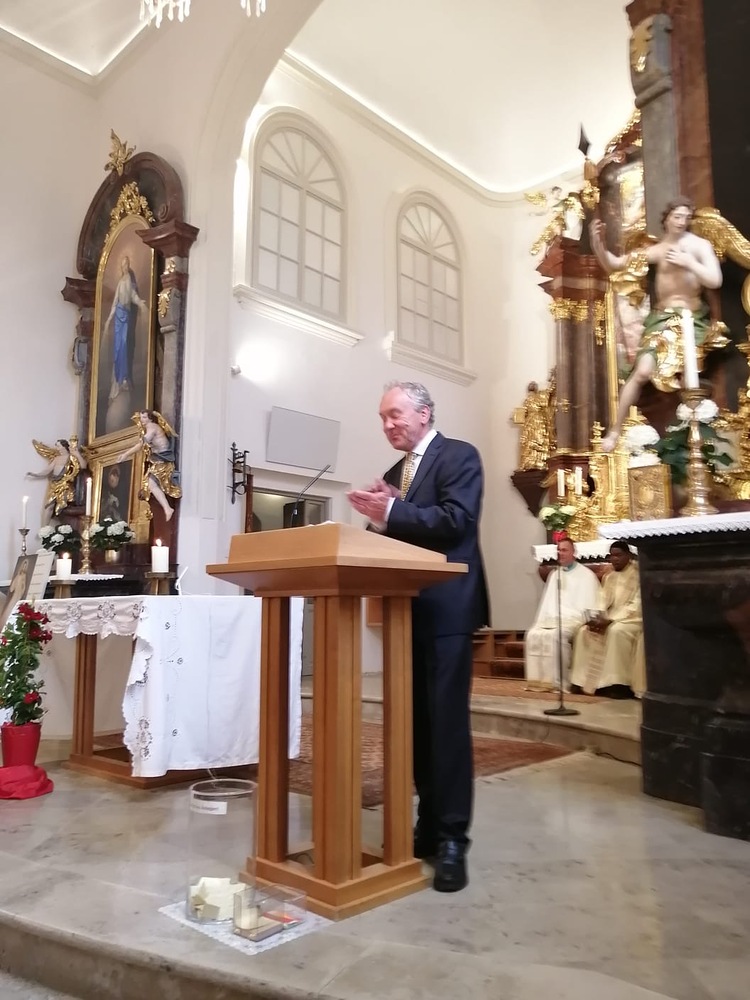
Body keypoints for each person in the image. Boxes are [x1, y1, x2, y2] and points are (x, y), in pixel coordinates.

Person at [347, 381, 489, 893]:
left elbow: (456, 521)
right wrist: (377, 520)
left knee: (446, 726)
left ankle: (453, 840)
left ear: (424, 413)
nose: (387, 424)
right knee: (416, 726)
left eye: (395, 414)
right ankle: (426, 827)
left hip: (447, 609)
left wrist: (391, 512)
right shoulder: (394, 475)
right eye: (382, 417)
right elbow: (396, 536)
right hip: (405, 611)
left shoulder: (459, 456)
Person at [590, 197, 724, 452]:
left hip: (690, 319)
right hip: (661, 319)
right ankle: (615, 430)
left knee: (689, 378)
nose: (682, 222)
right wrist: (598, 245)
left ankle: (698, 441)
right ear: (666, 219)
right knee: (642, 372)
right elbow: (614, 264)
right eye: (677, 216)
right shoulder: (658, 250)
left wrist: (689, 262)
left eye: (686, 217)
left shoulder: (699, 245)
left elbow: (715, 280)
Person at [524, 537, 600, 691]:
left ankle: (560, 683)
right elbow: (547, 603)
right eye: (558, 550)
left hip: (573, 619)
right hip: (552, 619)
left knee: (557, 636)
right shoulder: (554, 575)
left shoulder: (586, 575)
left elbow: (590, 604)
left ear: (574, 552)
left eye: (564, 550)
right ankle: (540, 682)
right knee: (532, 634)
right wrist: (540, 622)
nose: (560, 553)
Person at [570, 540, 642, 699]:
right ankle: (582, 681)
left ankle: (618, 684)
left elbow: (637, 605)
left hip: (632, 619)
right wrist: (597, 617)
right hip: (610, 617)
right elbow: (601, 600)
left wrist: (611, 619)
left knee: (616, 632)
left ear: (628, 555)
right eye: (612, 556)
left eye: (618, 555)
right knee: (583, 631)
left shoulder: (638, 575)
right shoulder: (610, 576)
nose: (614, 559)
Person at [118, 411, 181, 521]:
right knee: (151, 484)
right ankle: (167, 508)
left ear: (150, 419)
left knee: (151, 484)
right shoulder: (149, 427)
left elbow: (141, 445)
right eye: (141, 417)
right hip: (159, 460)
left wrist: (125, 454)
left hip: (163, 460)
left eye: (144, 417)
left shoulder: (152, 427)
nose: (142, 419)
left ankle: (167, 508)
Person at [104, 254, 147, 402]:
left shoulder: (129, 280)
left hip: (126, 317)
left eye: (127, 264)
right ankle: (118, 379)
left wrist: (140, 302)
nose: (125, 267)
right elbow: (115, 302)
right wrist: (109, 318)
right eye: (123, 265)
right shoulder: (121, 281)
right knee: (118, 349)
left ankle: (124, 378)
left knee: (124, 347)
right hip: (118, 316)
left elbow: (133, 295)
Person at [28, 437, 87, 523]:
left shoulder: (71, 457)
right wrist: (36, 474)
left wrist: (77, 454)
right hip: (54, 484)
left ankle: (63, 526)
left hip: (64, 484)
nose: (57, 448)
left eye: (58, 446)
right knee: (49, 506)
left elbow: (83, 466)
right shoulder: (57, 458)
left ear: (64, 447)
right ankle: (44, 529)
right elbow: (48, 470)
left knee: (62, 507)